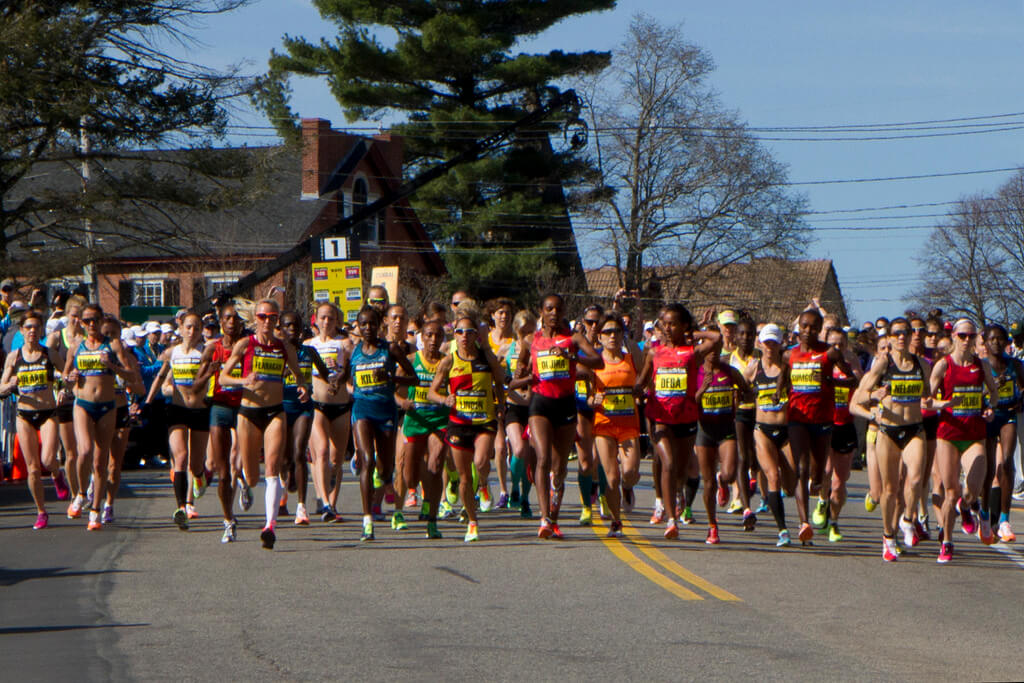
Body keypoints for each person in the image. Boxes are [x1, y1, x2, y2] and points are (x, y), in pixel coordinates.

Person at [219, 299, 310, 549]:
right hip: (249, 412)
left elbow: (299, 375)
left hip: (275, 412)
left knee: (272, 468)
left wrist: (302, 387)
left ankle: (270, 526)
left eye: (272, 317)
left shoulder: (283, 348)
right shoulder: (246, 344)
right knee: (251, 476)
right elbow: (223, 376)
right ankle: (245, 485)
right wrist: (243, 381)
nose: (267, 321)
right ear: (255, 319)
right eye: (262, 317)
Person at [512, 293, 603, 539]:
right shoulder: (531, 340)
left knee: (560, 466)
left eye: (558, 309)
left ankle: (554, 516)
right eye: (549, 308)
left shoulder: (573, 339)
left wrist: (572, 357)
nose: (554, 313)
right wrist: (521, 371)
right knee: (542, 458)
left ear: (563, 313)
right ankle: (545, 519)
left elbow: (598, 361)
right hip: (540, 404)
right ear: (541, 311)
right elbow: (522, 367)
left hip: (565, 405)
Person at [634, 304, 720, 540]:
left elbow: (716, 338)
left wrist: (697, 333)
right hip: (660, 417)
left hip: (686, 417)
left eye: (673, 324)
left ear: (683, 326)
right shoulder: (654, 352)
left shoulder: (692, 352)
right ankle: (671, 520)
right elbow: (641, 380)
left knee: (681, 472)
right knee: (668, 464)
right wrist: (637, 390)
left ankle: (678, 494)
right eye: (664, 323)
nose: (668, 328)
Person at [850, 318, 931, 561]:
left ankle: (908, 519)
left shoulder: (921, 365)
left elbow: (927, 396)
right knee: (890, 489)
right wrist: (874, 400)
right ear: (890, 337)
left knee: (916, 478)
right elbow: (856, 401)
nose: (901, 337)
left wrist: (945, 404)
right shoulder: (882, 365)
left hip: (914, 429)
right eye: (896, 333)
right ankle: (887, 536)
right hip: (888, 431)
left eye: (906, 332)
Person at [776, 308, 857, 545]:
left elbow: (852, 379)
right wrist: (779, 392)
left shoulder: (829, 353)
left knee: (817, 474)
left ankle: (818, 489)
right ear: (798, 328)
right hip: (797, 418)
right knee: (801, 468)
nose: (808, 331)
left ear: (820, 329)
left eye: (813, 327)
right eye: (804, 326)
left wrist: (832, 381)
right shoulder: (788, 355)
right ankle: (804, 524)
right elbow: (783, 376)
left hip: (822, 420)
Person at [428, 308, 505, 542]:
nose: (463, 336)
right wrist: (444, 399)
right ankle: (472, 521)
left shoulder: (487, 358)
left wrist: (500, 403)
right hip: (459, 422)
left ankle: (483, 483)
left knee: (481, 461)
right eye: (459, 332)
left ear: (476, 336)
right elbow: (432, 392)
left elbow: (500, 381)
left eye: (468, 332)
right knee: (463, 478)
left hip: (484, 421)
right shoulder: (449, 361)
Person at [929, 318, 1001, 563]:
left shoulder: (980, 365)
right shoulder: (943, 365)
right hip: (948, 435)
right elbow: (925, 401)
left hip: (974, 435)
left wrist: (990, 408)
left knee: (972, 489)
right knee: (950, 492)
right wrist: (942, 404)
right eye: (962, 336)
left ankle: (967, 506)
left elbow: (994, 392)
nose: (966, 340)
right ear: (953, 337)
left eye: (971, 336)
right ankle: (947, 541)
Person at [62, 303, 138, 531]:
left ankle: (95, 511)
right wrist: (70, 376)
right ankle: (82, 494)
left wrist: (112, 366)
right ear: (81, 324)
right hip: (83, 403)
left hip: (107, 405)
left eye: (95, 320)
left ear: (102, 321)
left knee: (100, 460)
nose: (92, 325)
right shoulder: (76, 346)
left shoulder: (112, 345)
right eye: (87, 321)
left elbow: (131, 375)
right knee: (84, 451)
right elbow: (65, 376)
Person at [348, 305, 416, 541]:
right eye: (363, 324)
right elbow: (348, 378)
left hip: (386, 410)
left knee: (386, 467)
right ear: (358, 326)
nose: (368, 328)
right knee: (367, 460)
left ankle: (385, 478)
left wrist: (390, 377)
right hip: (362, 409)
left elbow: (413, 378)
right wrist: (337, 382)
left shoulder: (391, 350)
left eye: (372, 324)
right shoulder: (355, 352)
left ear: (380, 325)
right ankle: (367, 520)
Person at [0, 311, 68, 529]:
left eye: (36, 327)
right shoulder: (14, 356)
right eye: (28, 327)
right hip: (24, 414)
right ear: (21, 331)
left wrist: (63, 389)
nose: (32, 331)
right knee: (32, 468)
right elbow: (1, 385)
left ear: (40, 331)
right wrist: (10, 385)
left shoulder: (49, 354)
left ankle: (57, 474)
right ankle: (41, 511)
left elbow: (67, 373)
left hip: (48, 412)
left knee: (48, 460)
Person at [587, 313, 643, 536]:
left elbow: (644, 369)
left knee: (629, 472)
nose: (612, 336)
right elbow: (588, 397)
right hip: (604, 424)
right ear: (599, 337)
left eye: (616, 331)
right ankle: (616, 521)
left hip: (629, 423)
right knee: (611, 477)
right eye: (607, 332)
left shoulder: (631, 359)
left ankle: (628, 488)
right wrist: (593, 400)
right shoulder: (595, 363)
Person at [694, 339, 754, 543]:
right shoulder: (696, 372)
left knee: (728, 474)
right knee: (708, 483)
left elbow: (748, 392)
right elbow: (688, 401)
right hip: (705, 430)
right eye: (709, 350)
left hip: (726, 428)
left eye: (716, 350)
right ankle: (712, 525)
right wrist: (702, 390)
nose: (713, 354)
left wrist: (740, 397)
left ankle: (724, 482)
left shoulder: (730, 371)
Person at [195, 302, 246, 542]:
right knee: (222, 470)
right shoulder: (212, 349)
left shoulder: (249, 346)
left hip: (246, 406)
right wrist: (209, 372)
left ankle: (244, 482)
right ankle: (228, 520)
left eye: (236, 318)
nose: (232, 322)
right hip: (220, 407)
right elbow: (195, 387)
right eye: (228, 318)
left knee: (243, 459)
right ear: (221, 321)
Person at [280, 311, 335, 527]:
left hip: (304, 407)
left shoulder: (309, 352)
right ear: (281, 329)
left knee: (299, 451)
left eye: (295, 325)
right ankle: (289, 476)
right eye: (287, 325)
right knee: (285, 459)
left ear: (302, 328)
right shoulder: (277, 352)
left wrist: (334, 381)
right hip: (281, 406)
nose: (292, 328)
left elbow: (324, 373)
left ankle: (301, 506)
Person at [743, 323, 795, 546]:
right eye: (767, 342)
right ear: (760, 344)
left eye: (774, 342)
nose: (770, 347)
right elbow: (739, 389)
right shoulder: (754, 368)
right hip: (762, 430)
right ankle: (782, 530)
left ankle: (781, 508)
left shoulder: (787, 367)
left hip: (785, 430)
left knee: (791, 485)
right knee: (773, 476)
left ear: (780, 343)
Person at [396, 320, 449, 538]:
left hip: (439, 420)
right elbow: (394, 389)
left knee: (435, 466)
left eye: (438, 336)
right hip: (415, 419)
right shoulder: (410, 361)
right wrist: (401, 402)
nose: (433, 340)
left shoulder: (447, 363)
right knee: (410, 475)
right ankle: (403, 505)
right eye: (429, 335)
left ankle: (432, 515)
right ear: (422, 338)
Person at [810, 326, 863, 542]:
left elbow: (859, 383)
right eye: (833, 344)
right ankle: (823, 502)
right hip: (824, 424)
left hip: (845, 425)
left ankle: (834, 522)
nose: (838, 347)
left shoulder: (851, 365)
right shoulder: (820, 363)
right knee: (825, 472)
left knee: (840, 482)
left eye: (841, 344)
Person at [305, 302, 353, 523]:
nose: (326, 322)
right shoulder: (308, 344)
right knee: (321, 452)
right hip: (318, 405)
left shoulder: (344, 344)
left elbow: (353, 371)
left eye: (331, 318)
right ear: (316, 319)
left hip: (341, 405)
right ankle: (324, 502)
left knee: (336, 460)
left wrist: (342, 370)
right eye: (323, 317)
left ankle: (332, 505)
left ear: (337, 321)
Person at [981, 324, 1023, 543]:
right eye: (992, 339)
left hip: (1007, 414)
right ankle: (985, 514)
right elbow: (972, 395)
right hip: (988, 416)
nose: (996, 342)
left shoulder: (1015, 365)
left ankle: (1005, 520)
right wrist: (990, 388)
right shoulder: (981, 366)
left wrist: (1020, 400)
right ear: (985, 342)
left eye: (1000, 339)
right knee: (988, 469)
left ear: (1007, 342)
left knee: (1007, 462)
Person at [503, 310, 537, 519]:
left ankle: (525, 498)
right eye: (523, 331)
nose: (526, 335)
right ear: (516, 330)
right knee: (518, 450)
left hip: (534, 407)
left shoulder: (539, 349)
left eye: (530, 331)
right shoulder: (507, 349)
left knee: (531, 458)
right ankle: (514, 485)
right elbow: (500, 377)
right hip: (513, 405)